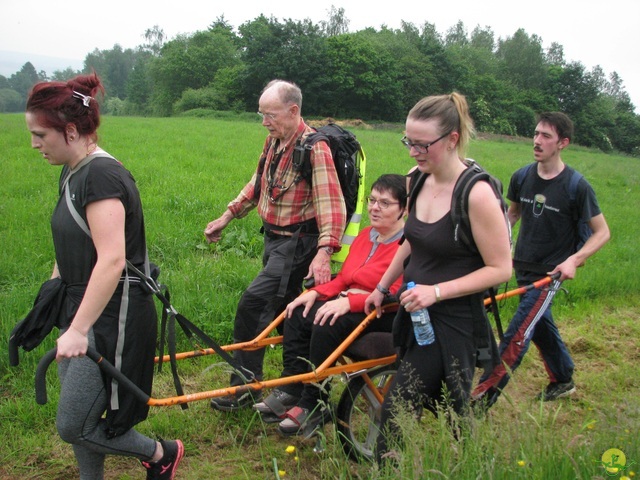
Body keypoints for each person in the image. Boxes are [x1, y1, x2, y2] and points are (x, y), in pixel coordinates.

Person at [25, 73, 183, 479]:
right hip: (81, 308)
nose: (34, 144)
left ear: (72, 130)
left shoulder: (100, 177)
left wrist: (79, 330)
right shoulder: (72, 172)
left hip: (112, 316)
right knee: (81, 414)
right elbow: (74, 246)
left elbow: (111, 260)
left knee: (73, 424)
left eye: (40, 134)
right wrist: (55, 300)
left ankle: (161, 454)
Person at [364, 93, 512, 461]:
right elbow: (411, 241)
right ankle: (462, 462)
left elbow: (501, 268)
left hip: (454, 323)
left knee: (408, 410)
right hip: (414, 314)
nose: (413, 152)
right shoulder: (416, 180)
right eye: (408, 141)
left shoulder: (475, 194)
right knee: (441, 409)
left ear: (452, 138)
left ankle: (466, 465)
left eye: (421, 144)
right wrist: (383, 286)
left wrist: (437, 291)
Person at [205, 80, 347, 411]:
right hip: (274, 240)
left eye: (270, 115)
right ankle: (295, 385)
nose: (265, 122)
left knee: (254, 305)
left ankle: (246, 387)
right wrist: (228, 216)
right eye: (262, 115)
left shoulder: (315, 149)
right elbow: (258, 184)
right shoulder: (275, 142)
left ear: (293, 111)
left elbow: (331, 204)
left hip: (298, 243)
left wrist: (324, 253)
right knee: (289, 314)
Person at [472, 112, 610, 407]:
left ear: (563, 143)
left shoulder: (577, 186)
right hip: (522, 266)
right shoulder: (522, 176)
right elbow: (512, 214)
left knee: (517, 335)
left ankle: (478, 402)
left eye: (546, 136)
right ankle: (563, 378)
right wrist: (501, 247)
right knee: (539, 324)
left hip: (550, 275)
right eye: (535, 134)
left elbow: (602, 232)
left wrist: (575, 259)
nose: (537, 140)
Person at [250, 174, 406, 435]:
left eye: (385, 203)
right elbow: (346, 277)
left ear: (404, 208)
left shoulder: (407, 245)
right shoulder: (367, 235)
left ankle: (315, 401)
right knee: (298, 312)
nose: (375, 208)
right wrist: (316, 292)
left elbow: (396, 292)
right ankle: (293, 385)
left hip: (385, 311)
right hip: (354, 302)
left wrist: (351, 303)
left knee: (326, 321)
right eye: (373, 200)